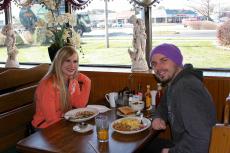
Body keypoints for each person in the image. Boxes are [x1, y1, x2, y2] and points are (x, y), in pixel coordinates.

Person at [143, 43, 216, 153]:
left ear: (177, 61)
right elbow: (164, 104)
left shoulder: (186, 88)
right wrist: (159, 116)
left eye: (164, 60)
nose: (158, 68)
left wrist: (171, 152)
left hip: (191, 148)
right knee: (145, 145)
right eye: (154, 64)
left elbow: (202, 140)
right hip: (182, 144)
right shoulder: (174, 83)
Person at [32, 46, 91, 128]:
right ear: (59, 62)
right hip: (44, 127)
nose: (72, 66)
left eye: (75, 61)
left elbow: (79, 105)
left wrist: (87, 81)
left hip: (61, 122)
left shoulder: (72, 80)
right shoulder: (48, 84)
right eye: (67, 61)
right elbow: (51, 119)